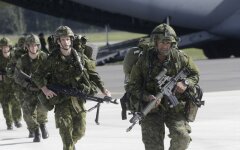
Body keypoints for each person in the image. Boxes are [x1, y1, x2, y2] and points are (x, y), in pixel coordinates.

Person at [31, 26, 111, 150]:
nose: (66, 42)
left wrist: (103, 89)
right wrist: (45, 89)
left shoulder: (79, 57)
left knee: (80, 131)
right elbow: (36, 75)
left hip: (77, 100)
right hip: (61, 101)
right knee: (66, 137)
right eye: (63, 39)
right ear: (58, 41)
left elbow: (93, 74)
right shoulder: (51, 59)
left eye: (68, 39)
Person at [127, 23, 200, 150]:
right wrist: (147, 97)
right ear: (155, 42)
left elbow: (194, 74)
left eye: (168, 43)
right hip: (151, 110)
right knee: (153, 145)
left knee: (182, 137)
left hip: (175, 109)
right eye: (162, 43)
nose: (165, 46)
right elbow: (132, 86)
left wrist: (185, 83)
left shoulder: (181, 58)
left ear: (173, 43)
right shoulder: (144, 60)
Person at [14, 34, 49, 142]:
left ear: (38, 46)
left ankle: (42, 126)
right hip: (29, 91)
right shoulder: (23, 60)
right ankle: (36, 130)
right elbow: (17, 76)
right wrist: (27, 85)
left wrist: (45, 83)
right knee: (27, 114)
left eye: (35, 46)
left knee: (42, 110)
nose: (33, 48)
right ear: (27, 47)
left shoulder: (44, 57)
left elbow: (51, 72)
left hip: (42, 90)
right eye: (31, 46)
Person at [0, 37, 23, 130]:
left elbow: (20, 68)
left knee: (16, 102)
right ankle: (9, 123)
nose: (5, 49)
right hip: (2, 85)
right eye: (3, 47)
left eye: (7, 47)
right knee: (5, 104)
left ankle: (17, 120)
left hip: (14, 84)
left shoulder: (14, 56)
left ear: (10, 47)